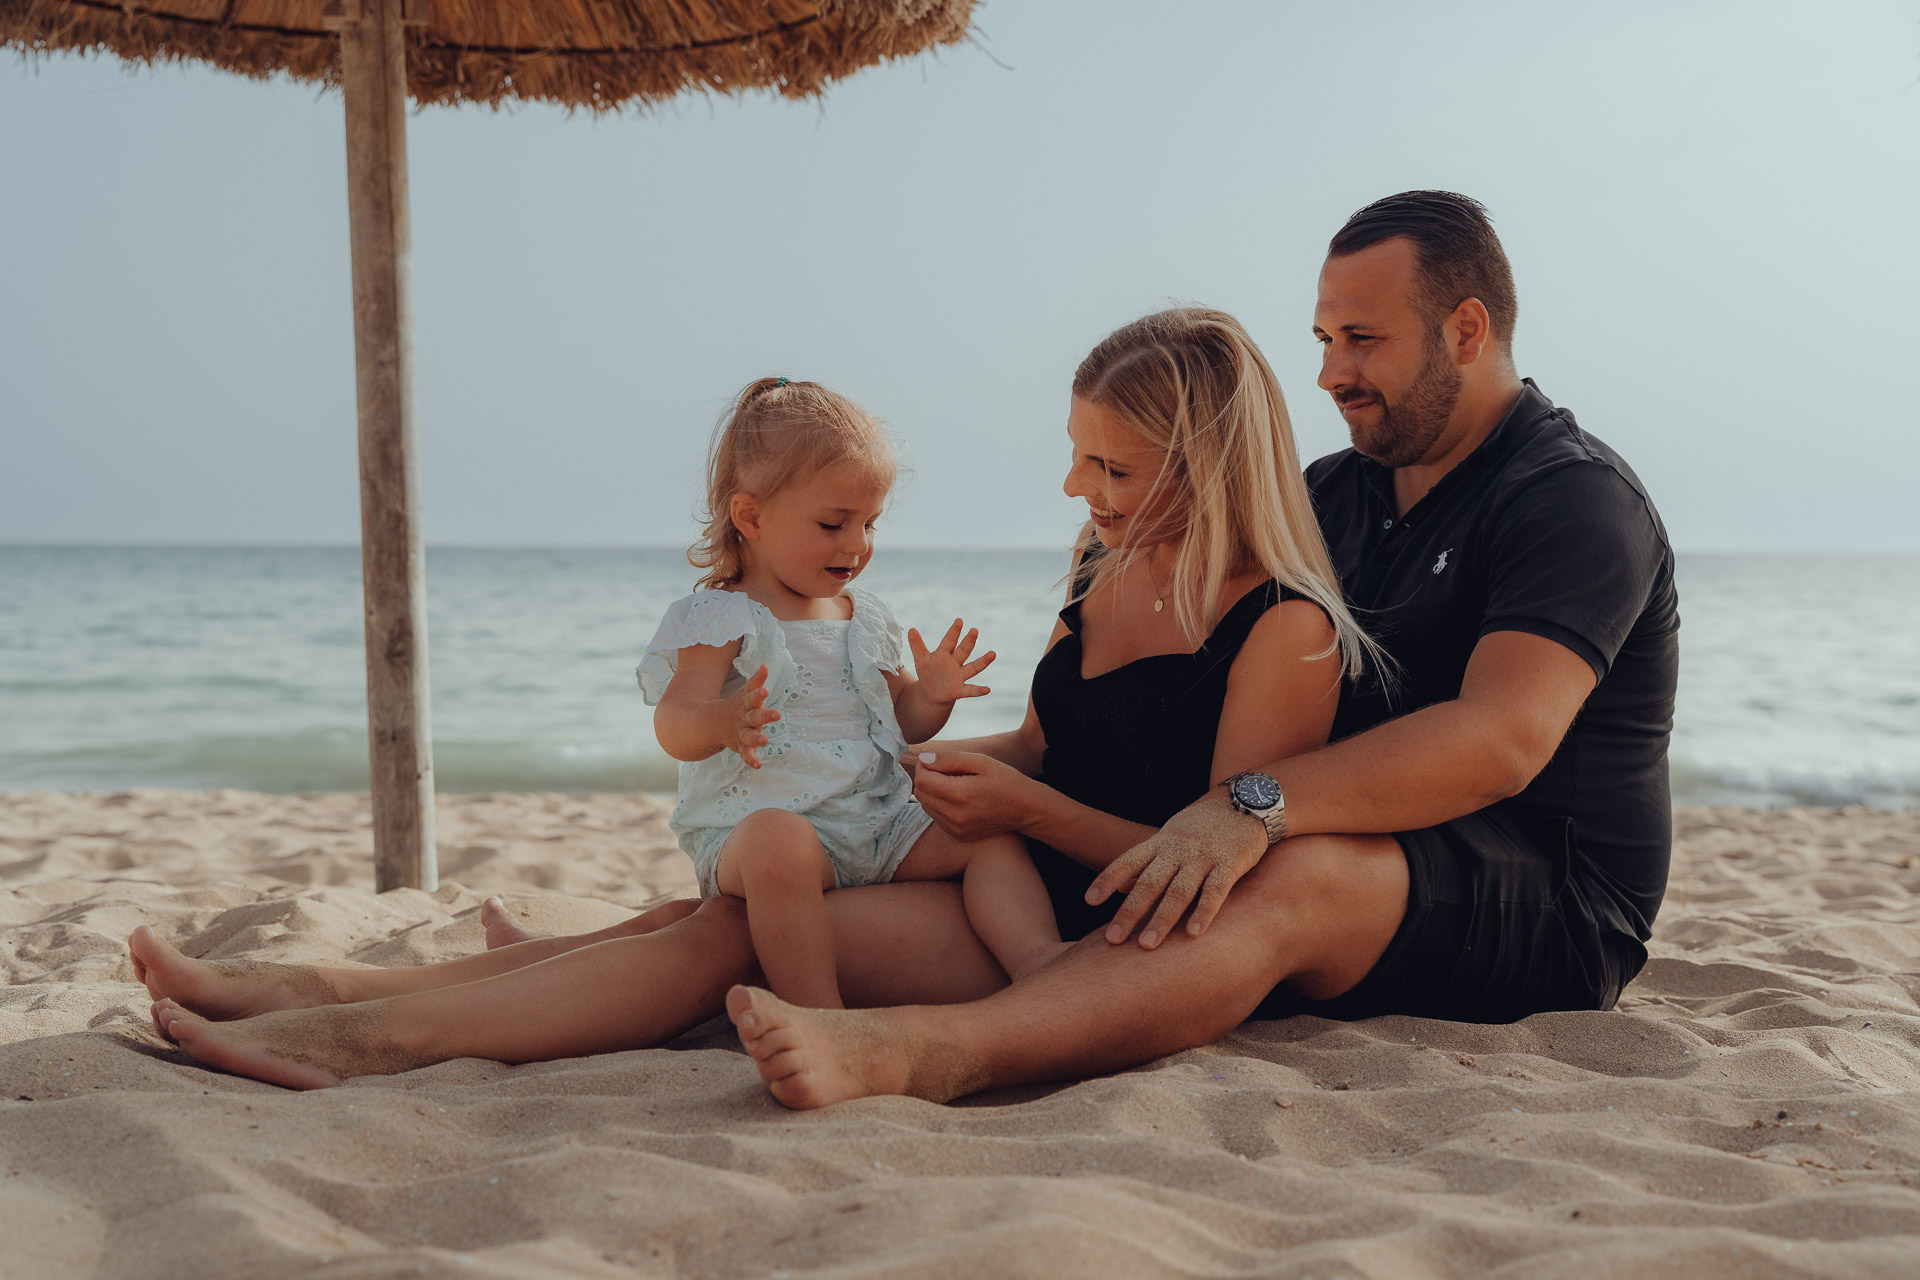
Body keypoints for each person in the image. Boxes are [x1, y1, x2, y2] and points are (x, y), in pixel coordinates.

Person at [129, 308, 1367, 1089]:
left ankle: (367, 1036)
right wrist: (891, 758)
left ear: (1208, 462)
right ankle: (325, 992)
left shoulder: (1286, 628)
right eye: (1076, 449)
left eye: (1110, 464)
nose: (1072, 486)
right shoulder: (1106, 564)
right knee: (708, 902)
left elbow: (1217, 871)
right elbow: (1041, 746)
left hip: (1096, 923)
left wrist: (1018, 813)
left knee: (724, 933)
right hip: (992, 861)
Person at [718, 190, 1679, 1105]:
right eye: (1324, 340)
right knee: (775, 900)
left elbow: (1500, 739)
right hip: (1338, 844)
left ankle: (937, 1053)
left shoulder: (1573, 500)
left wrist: (1247, 807)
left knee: (1284, 867)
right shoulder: (1331, 494)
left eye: (1363, 339)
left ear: (1466, 331)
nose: (1330, 372)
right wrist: (856, 777)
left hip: (1547, 901)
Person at [635, 375, 1058, 1008]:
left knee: (988, 833)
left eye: (870, 524)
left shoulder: (863, 616)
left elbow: (900, 722)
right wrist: (720, 721)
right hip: (762, 836)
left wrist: (932, 696)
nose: (857, 545)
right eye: (833, 523)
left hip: (875, 822)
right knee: (780, 843)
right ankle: (817, 1013)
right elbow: (673, 723)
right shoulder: (721, 616)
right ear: (751, 517)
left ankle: (1041, 963)